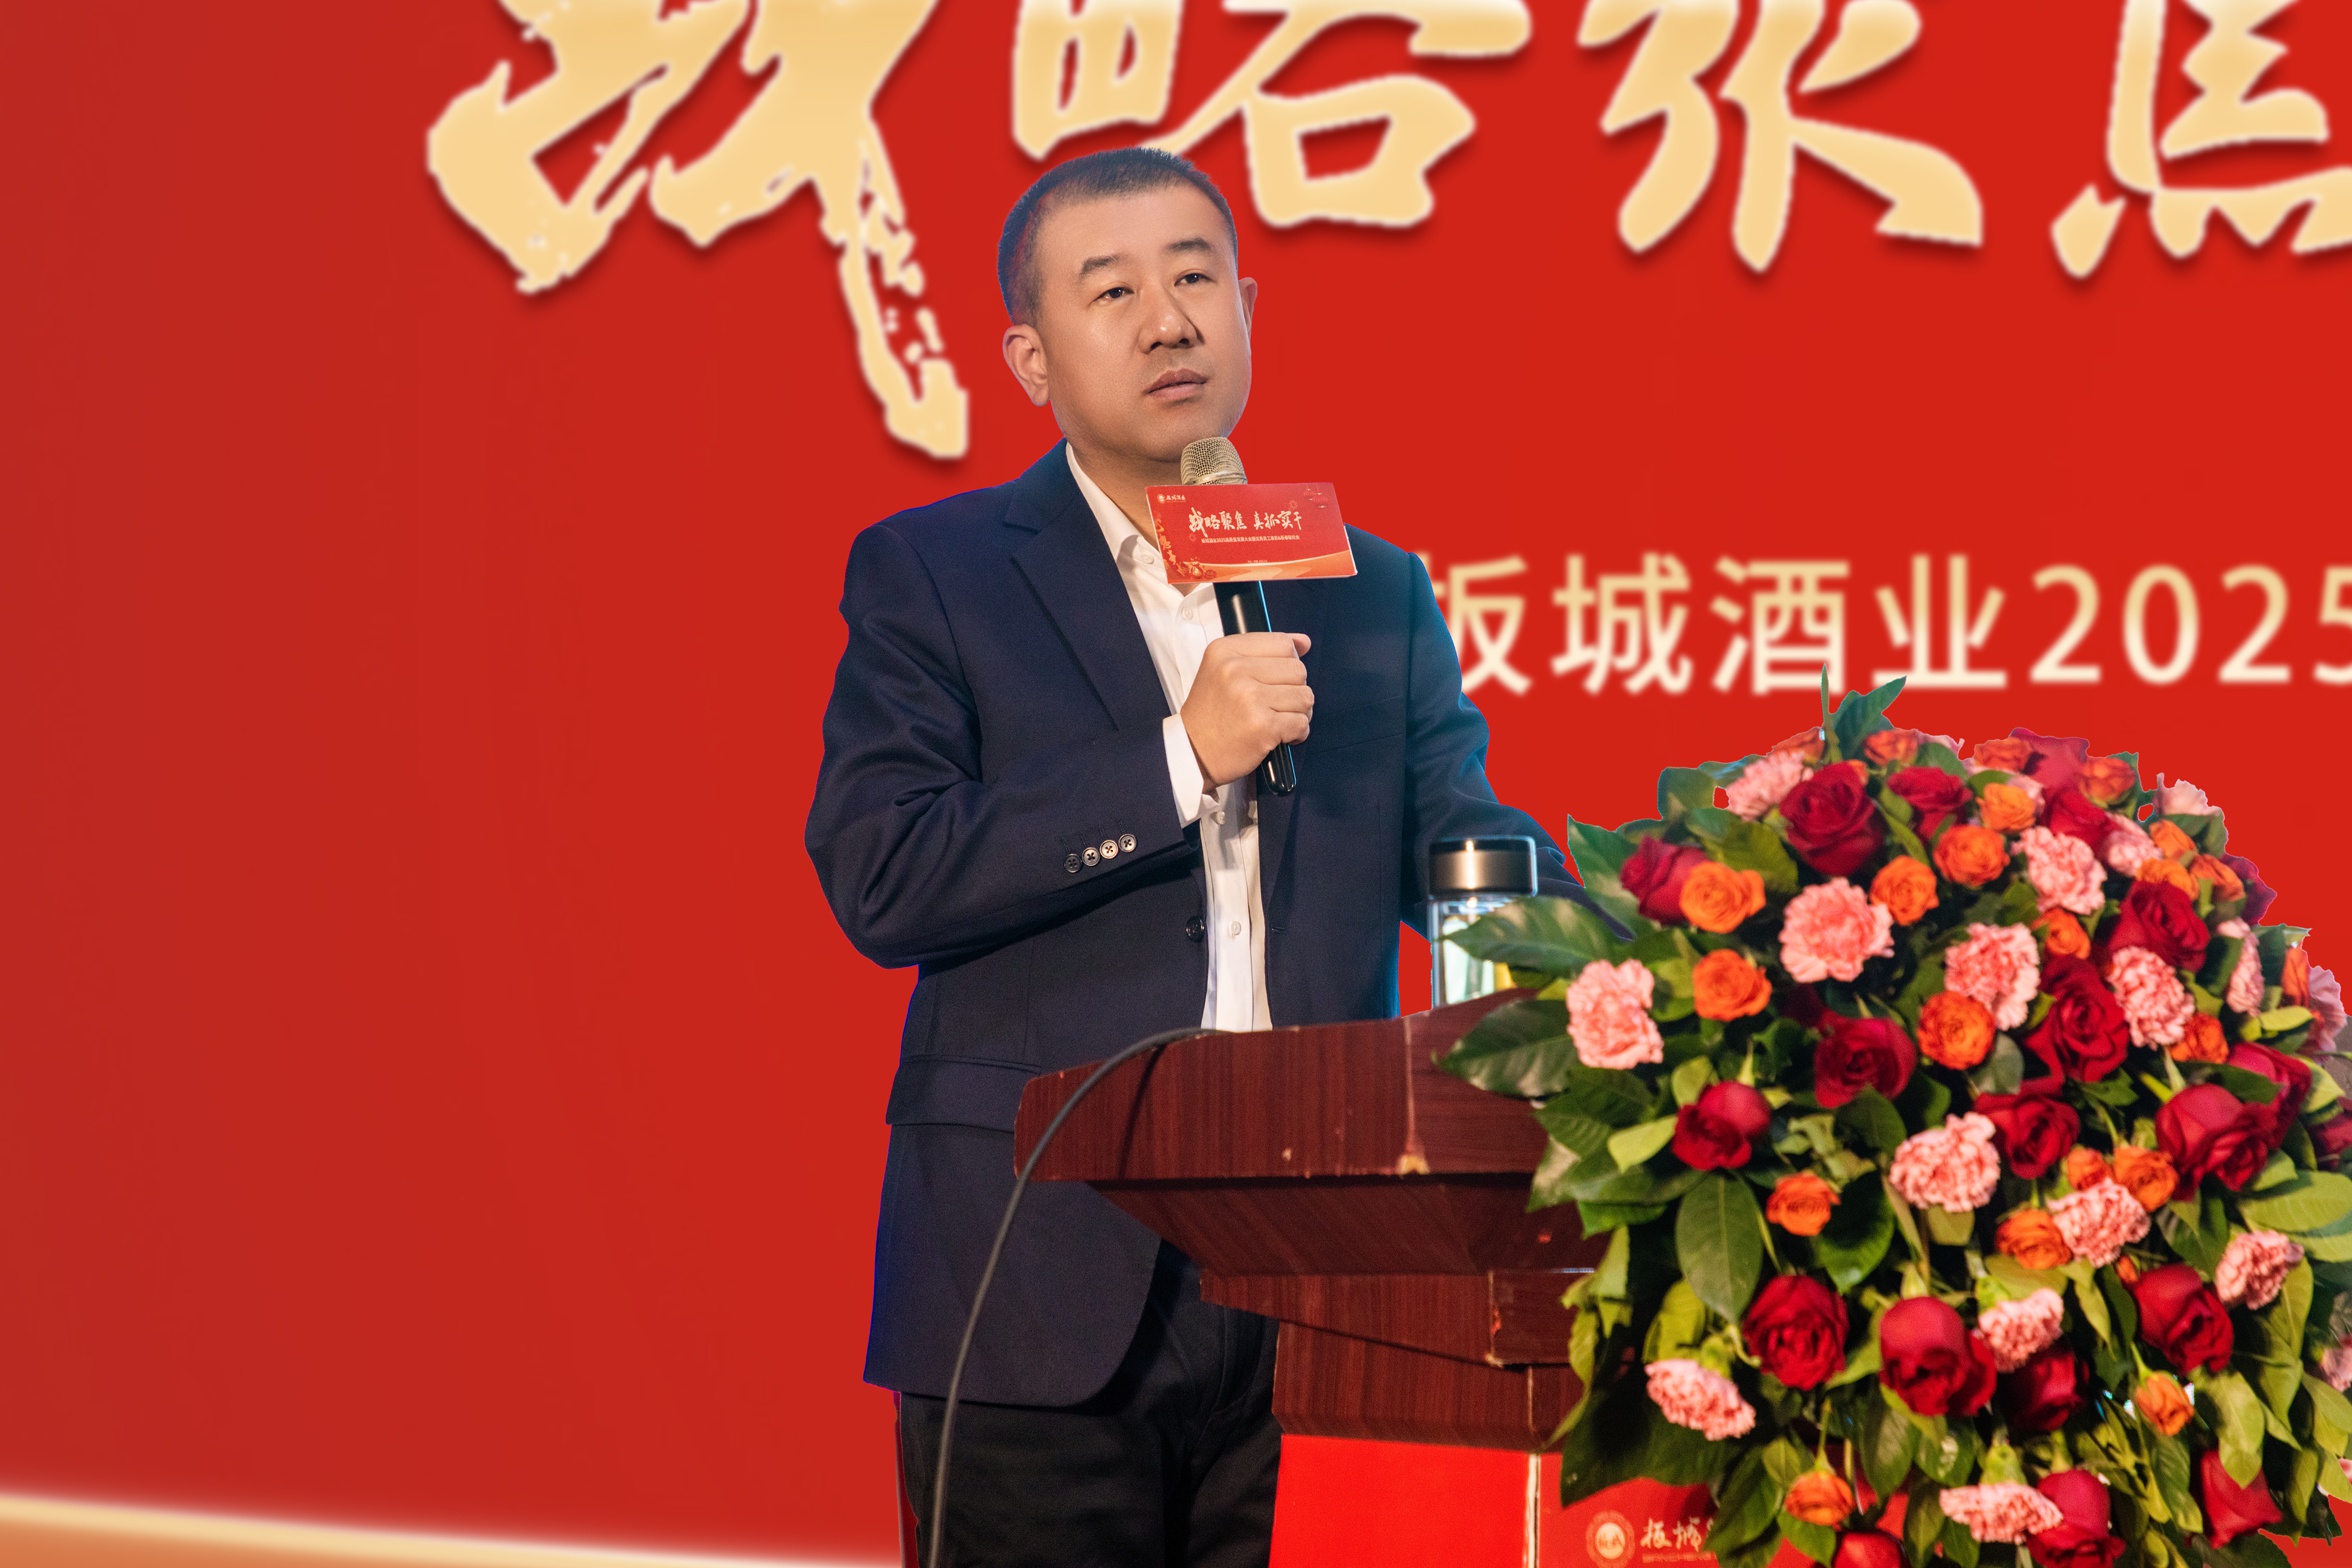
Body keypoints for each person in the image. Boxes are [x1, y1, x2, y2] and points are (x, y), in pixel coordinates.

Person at [806, 147, 1585, 1567]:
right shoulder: (936, 571)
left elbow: (1463, 844)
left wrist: (1679, 931)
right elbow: (886, 871)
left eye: (1195, 278)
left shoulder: (1368, 585)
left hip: (1326, 1268)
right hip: (1039, 1264)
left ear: (1247, 309)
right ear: (1031, 358)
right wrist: (1181, 757)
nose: (1168, 321)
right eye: (1113, 292)